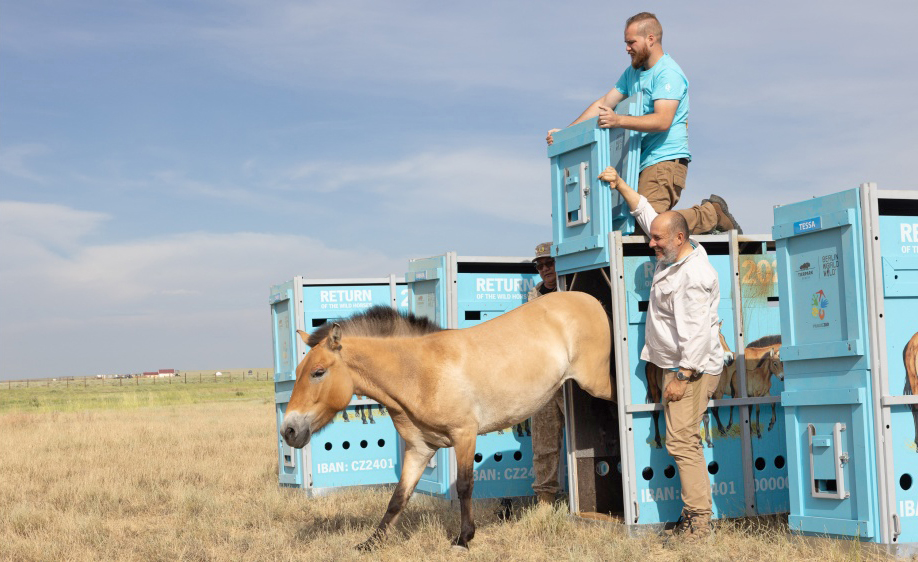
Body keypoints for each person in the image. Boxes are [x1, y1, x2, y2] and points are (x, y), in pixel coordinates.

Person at [598, 165, 723, 542]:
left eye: (656, 241)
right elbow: (646, 213)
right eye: (652, 238)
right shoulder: (674, 247)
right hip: (676, 365)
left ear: (680, 238)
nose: (650, 244)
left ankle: (699, 523)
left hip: (692, 369)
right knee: (680, 440)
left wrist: (683, 377)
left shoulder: (693, 277)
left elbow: (697, 335)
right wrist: (619, 183)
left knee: (682, 441)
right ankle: (694, 515)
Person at [547, 12, 741, 235]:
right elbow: (604, 103)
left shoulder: (668, 73)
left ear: (650, 39)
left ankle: (712, 214)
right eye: (626, 43)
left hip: (664, 160)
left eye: (631, 42)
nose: (627, 48)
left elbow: (662, 120)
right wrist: (566, 133)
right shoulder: (633, 73)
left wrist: (618, 120)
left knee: (651, 224)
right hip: (638, 162)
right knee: (632, 226)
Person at [526, 242, 564, 505]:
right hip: (545, 378)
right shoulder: (533, 298)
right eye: (540, 266)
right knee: (544, 439)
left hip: (576, 377)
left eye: (549, 263)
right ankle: (545, 499)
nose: (545, 269)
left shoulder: (573, 290)